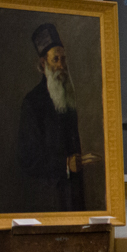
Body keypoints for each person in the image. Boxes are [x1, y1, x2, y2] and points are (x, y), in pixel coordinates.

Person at [17, 22, 101, 212]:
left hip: (73, 195)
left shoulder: (66, 95)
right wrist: (65, 164)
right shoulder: (32, 102)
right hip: (48, 198)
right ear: (43, 63)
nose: (62, 66)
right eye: (56, 59)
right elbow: (27, 158)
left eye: (63, 59)